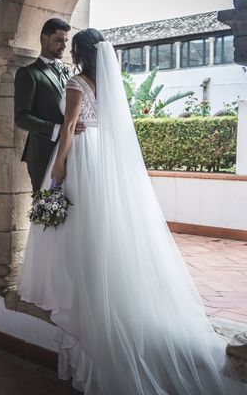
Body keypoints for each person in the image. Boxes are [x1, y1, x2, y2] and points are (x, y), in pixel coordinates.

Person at [19, 28, 245, 394]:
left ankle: (78, 292)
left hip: (82, 156)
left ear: (79, 52)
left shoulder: (76, 81)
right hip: (103, 157)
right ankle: (100, 286)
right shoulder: (109, 84)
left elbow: (72, 124)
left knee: (72, 225)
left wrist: (60, 165)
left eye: (71, 46)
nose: (68, 50)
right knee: (100, 224)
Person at [14, 18, 84, 192]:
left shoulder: (70, 72)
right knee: (45, 210)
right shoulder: (28, 73)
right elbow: (21, 118)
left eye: (65, 41)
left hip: (71, 151)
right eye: (58, 40)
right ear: (44, 39)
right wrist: (57, 129)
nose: (63, 46)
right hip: (42, 154)